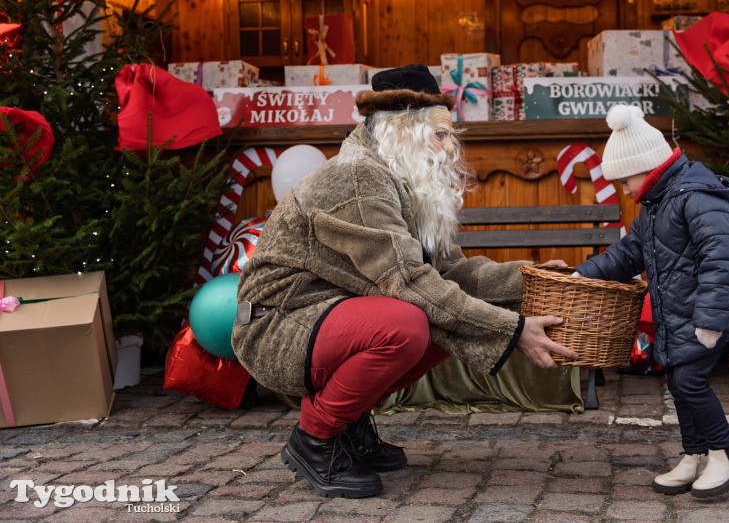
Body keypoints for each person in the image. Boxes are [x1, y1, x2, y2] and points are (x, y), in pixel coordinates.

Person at [231, 64, 577, 499]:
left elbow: (453, 275)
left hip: (329, 318)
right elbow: (411, 284)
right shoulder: (357, 176)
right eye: (438, 134)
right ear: (402, 129)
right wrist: (513, 329)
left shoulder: (403, 180)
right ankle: (315, 439)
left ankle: (348, 424)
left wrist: (530, 278)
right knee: (409, 323)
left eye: (449, 133)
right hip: (277, 326)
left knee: (439, 318)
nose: (449, 147)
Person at [573, 104, 729, 498]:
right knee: (679, 381)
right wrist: (585, 274)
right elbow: (629, 253)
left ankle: (726, 453)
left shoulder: (697, 197)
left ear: (647, 167)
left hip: (705, 317)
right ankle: (695, 454)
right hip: (679, 315)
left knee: (689, 380)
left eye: (626, 180)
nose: (625, 190)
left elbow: (722, 260)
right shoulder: (656, 205)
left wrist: (711, 320)